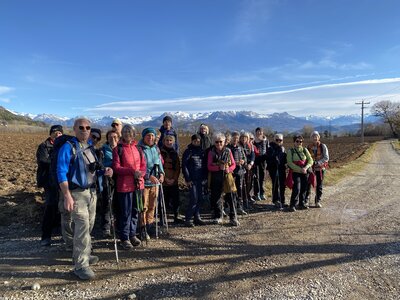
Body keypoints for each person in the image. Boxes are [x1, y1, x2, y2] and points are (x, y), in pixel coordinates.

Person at [57, 117, 113, 280]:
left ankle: (84, 254)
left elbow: (93, 169)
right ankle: (81, 265)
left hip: (91, 192)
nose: (85, 130)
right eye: (81, 127)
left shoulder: (89, 147)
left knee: (89, 226)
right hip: (76, 193)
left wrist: (105, 171)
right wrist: (67, 195)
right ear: (74, 129)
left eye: (88, 128)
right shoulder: (68, 148)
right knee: (82, 227)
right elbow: (61, 172)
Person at [112, 125, 146, 249]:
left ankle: (132, 234)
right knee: (125, 213)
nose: (127, 133)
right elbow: (116, 168)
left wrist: (140, 174)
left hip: (138, 184)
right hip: (124, 186)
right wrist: (132, 171)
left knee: (135, 211)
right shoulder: (118, 149)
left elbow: (143, 166)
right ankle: (124, 237)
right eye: (125, 131)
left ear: (133, 133)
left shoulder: (138, 148)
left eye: (129, 131)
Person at [36, 125, 63, 246]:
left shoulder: (64, 146)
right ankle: (45, 235)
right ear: (51, 134)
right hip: (49, 180)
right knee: (51, 205)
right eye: (55, 132)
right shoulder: (43, 146)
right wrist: (59, 162)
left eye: (60, 133)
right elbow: (43, 161)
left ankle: (59, 230)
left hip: (61, 180)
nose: (58, 135)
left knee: (61, 206)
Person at [138, 127, 165, 238]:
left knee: (152, 206)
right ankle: (142, 228)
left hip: (155, 183)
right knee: (143, 206)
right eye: (148, 135)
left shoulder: (156, 149)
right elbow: (138, 166)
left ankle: (150, 225)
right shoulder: (139, 149)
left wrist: (162, 174)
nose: (150, 138)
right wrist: (148, 176)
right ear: (144, 136)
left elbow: (160, 163)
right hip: (144, 182)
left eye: (152, 136)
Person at [207, 132, 239, 226]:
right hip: (215, 177)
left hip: (227, 176)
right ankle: (218, 216)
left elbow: (233, 164)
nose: (219, 144)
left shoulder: (228, 151)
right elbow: (209, 166)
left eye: (220, 141)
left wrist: (228, 169)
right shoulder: (211, 152)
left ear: (224, 142)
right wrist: (218, 168)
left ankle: (233, 217)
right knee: (216, 197)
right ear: (214, 142)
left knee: (231, 197)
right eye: (216, 142)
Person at [182, 134, 207, 227]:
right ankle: (188, 218)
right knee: (194, 199)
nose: (196, 142)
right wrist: (188, 179)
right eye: (195, 141)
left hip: (201, 179)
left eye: (198, 141)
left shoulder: (202, 151)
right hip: (192, 179)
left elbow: (204, 166)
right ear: (191, 141)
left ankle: (197, 217)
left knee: (200, 198)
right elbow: (184, 166)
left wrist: (205, 178)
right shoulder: (188, 151)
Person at [99, 129, 119, 237]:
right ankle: (106, 227)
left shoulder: (120, 149)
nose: (113, 139)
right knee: (107, 202)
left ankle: (116, 224)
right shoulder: (103, 150)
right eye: (110, 137)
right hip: (107, 179)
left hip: (119, 178)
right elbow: (100, 163)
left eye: (115, 137)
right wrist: (106, 168)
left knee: (118, 202)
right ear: (107, 138)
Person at [286, 134, 313, 212]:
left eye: (300, 141)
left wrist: (306, 168)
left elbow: (310, 160)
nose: (299, 143)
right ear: (294, 142)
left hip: (305, 172)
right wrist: (300, 169)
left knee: (304, 188)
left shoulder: (305, 150)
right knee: (297, 188)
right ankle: (292, 205)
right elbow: (290, 163)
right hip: (295, 172)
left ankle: (302, 203)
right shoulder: (290, 151)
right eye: (297, 141)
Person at [160, 134, 182, 224]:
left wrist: (174, 179)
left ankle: (176, 217)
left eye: (170, 141)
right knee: (163, 200)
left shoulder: (175, 153)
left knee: (176, 200)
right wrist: (165, 179)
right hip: (163, 181)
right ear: (164, 141)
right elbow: (160, 167)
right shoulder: (160, 152)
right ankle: (162, 218)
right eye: (167, 140)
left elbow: (177, 168)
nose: (169, 142)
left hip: (173, 181)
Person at [305, 131, 329, 208]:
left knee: (319, 185)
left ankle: (317, 201)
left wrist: (318, 162)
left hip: (320, 169)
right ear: (311, 138)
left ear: (319, 137)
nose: (315, 138)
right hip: (310, 169)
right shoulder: (308, 147)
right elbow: (305, 157)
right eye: (313, 136)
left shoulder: (323, 146)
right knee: (307, 184)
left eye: (316, 136)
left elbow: (326, 157)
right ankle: (306, 200)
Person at [227, 131, 247, 215]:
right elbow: (226, 161)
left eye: (237, 138)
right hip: (231, 173)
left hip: (240, 172)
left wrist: (243, 161)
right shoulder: (227, 149)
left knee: (240, 190)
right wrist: (235, 162)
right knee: (230, 190)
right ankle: (230, 207)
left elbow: (245, 158)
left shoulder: (240, 148)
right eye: (234, 138)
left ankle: (239, 207)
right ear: (231, 139)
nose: (235, 140)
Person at [266, 133, 287, 208]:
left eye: (280, 140)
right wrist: (274, 159)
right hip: (273, 168)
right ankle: (275, 200)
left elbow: (285, 158)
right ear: (274, 140)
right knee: (276, 184)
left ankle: (282, 200)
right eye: (277, 139)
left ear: (282, 141)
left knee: (282, 184)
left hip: (281, 168)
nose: (278, 141)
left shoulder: (283, 148)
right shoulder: (270, 147)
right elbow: (269, 158)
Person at [253, 127, 269, 201]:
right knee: (256, 178)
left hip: (263, 161)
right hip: (256, 161)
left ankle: (262, 193)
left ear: (263, 133)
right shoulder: (253, 141)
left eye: (260, 132)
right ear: (256, 133)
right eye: (258, 132)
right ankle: (257, 193)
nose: (259, 133)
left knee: (262, 178)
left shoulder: (266, 141)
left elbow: (268, 150)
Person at [239, 132, 255, 207]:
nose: (244, 139)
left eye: (245, 137)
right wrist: (245, 164)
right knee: (242, 184)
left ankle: (247, 197)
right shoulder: (239, 146)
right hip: (242, 167)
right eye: (242, 137)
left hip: (250, 166)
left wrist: (251, 164)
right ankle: (242, 199)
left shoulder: (251, 145)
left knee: (249, 182)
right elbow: (240, 156)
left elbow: (253, 156)